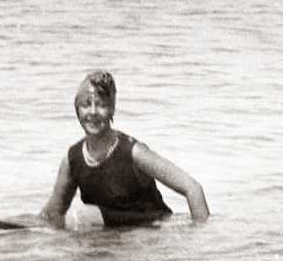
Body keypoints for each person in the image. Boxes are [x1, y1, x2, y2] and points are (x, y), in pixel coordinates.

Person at [40, 70, 210, 228]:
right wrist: (16, 228)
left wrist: (203, 241)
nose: (93, 112)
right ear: (76, 108)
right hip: (115, 238)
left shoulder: (133, 152)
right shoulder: (73, 159)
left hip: (152, 234)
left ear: (112, 109)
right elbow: (51, 215)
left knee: (82, 216)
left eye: (101, 105)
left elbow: (193, 188)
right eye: (86, 104)